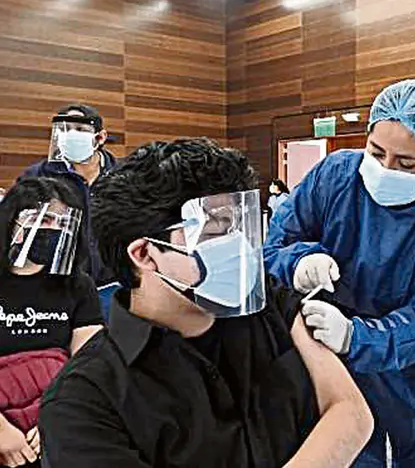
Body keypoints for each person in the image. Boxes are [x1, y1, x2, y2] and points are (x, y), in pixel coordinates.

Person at [38, 138, 373, 467]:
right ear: (144, 253)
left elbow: (351, 413)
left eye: (238, 225)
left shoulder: (269, 304)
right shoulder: (84, 403)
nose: (239, 246)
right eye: (214, 232)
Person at [264, 79, 415, 467]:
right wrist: (299, 262)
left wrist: (357, 336)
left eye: (406, 164)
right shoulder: (336, 175)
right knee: (350, 452)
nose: (386, 169)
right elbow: (276, 245)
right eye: (376, 152)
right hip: (339, 363)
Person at [0, 178, 103, 468]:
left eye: (63, 223)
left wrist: (56, 422)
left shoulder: (78, 286)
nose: (53, 229)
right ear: (12, 222)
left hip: (54, 416)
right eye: (43, 218)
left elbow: (87, 367)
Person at [20, 105, 116, 288]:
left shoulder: (122, 177)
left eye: (80, 129)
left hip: (112, 284)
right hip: (56, 284)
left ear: (100, 137)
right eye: (65, 129)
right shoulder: (37, 176)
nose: (70, 135)